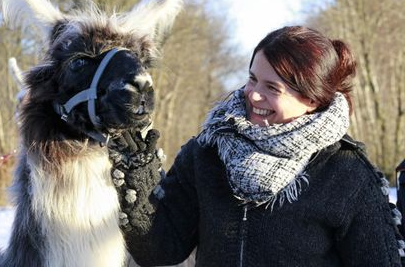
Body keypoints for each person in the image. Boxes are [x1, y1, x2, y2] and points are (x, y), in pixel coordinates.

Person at [109, 26, 404, 267]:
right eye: (253, 79)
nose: (254, 96)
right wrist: (139, 176)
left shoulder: (347, 173)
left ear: (312, 99)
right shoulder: (207, 153)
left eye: (272, 88)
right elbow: (161, 249)